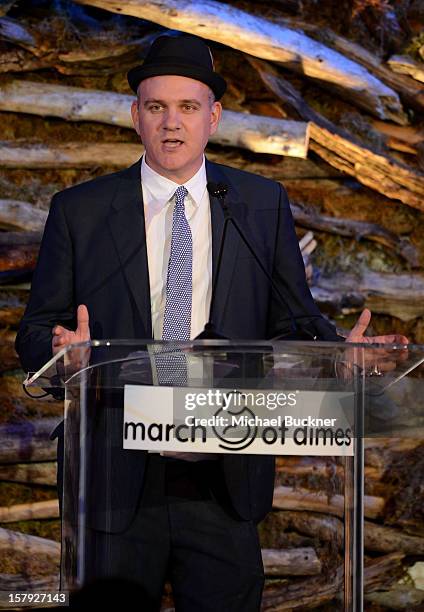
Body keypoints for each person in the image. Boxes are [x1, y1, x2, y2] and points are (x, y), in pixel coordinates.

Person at [15, 33, 408, 611]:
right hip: (114, 473)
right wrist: (60, 352)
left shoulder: (257, 202)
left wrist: (335, 348)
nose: (171, 123)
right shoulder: (82, 210)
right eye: (156, 107)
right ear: (135, 116)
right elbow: (35, 331)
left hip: (224, 472)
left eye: (188, 108)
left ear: (214, 118)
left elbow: (293, 315)